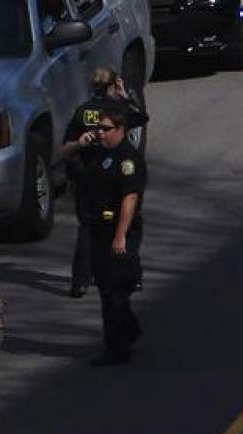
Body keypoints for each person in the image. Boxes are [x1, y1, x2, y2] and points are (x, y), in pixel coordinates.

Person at [61, 67, 148, 298]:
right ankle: (132, 276)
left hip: (88, 178)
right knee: (128, 226)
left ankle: (80, 281)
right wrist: (124, 96)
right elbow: (141, 118)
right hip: (115, 175)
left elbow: (65, 148)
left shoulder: (82, 112)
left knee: (87, 230)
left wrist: (80, 144)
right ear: (112, 85)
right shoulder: (118, 110)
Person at [70, 109, 146, 366]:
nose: (100, 132)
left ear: (121, 130)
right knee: (106, 287)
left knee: (114, 290)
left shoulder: (127, 159)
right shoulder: (99, 152)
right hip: (98, 230)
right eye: (99, 128)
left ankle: (116, 347)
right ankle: (129, 330)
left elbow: (130, 198)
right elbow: (62, 155)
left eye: (106, 128)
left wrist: (120, 236)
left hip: (117, 229)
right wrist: (78, 144)